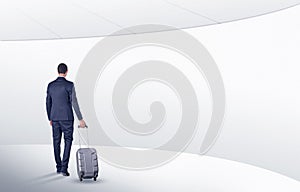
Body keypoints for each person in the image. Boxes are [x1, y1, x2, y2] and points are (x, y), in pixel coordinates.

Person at [46, 63, 86, 176]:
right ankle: (64, 168)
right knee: (68, 141)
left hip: (54, 118)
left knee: (56, 141)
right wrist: (80, 118)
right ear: (67, 71)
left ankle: (58, 167)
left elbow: (48, 102)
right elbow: (74, 102)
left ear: (57, 71)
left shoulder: (50, 85)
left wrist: (50, 117)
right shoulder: (70, 85)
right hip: (67, 118)